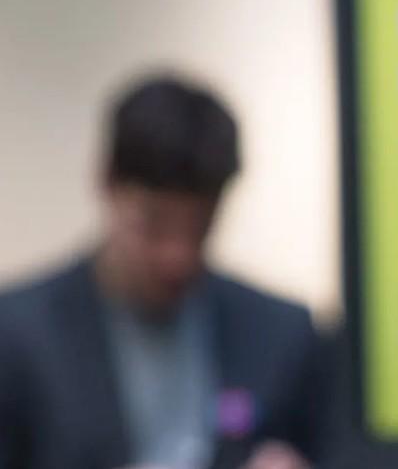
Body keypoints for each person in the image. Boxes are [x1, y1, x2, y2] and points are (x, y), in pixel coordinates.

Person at [0, 73, 331, 469]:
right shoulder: (19, 336)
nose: (177, 255)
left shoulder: (280, 334)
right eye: (154, 225)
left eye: (199, 228)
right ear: (107, 183)